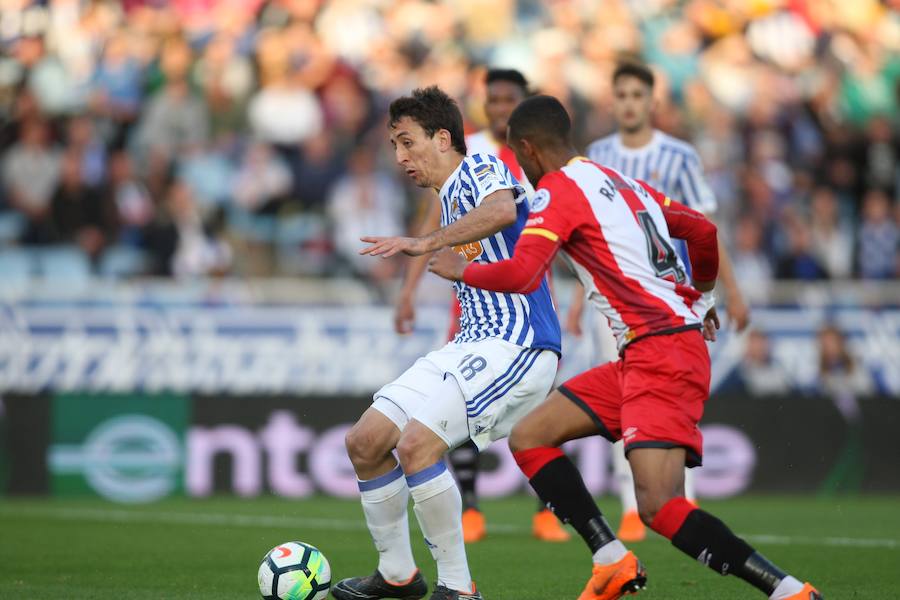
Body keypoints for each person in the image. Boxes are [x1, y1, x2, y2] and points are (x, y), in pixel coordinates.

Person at [428, 95, 821, 600]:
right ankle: (610, 559)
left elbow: (523, 273)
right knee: (530, 436)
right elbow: (702, 231)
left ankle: (789, 592)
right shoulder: (620, 182)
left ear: (528, 149)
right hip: (644, 352)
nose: (522, 171)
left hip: (661, 353)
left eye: (520, 159)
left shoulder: (557, 191)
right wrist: (701, 298)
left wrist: (463, 270)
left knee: (659, 507)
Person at [332, 87, 561, 600]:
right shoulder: (446, 195)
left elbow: (502, 211)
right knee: (365, 442)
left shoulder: (480, 167)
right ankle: (397, 576)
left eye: (407, 142)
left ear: (441, 138)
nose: (400, 157)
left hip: (517, 342)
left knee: (417, 445)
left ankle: (459, 589)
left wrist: (426, 242)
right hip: (469, 344)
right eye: (395, 145)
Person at [392, 68, 569, 544]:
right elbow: (432, 225)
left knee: (537, 414)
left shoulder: (526, 157)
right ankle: (470, 509)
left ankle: (549, 512)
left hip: (523, 301)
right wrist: (408, 291)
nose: (499, 108)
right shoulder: (454, 159)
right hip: (471, 306)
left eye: (509, 100)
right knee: (454, 407)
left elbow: (540, 218)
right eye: (493, 100)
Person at [578, 62, 750, 541]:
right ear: (612, 101)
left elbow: (704, 228)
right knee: (623, 396)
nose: (630, 103)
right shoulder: (597, 156)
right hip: (613, 299)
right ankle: (631, 505)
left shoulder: (679, 156)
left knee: (671, 394)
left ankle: (681, 495)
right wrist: (575, 303)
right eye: (622, 95)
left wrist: (731, 292)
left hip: (671, 296)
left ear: (652, 102)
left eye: (638, 95)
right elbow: (585, 237)